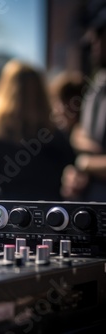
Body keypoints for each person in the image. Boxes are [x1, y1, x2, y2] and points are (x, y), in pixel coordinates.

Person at [0, 59, 76, 202]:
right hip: (51, 215)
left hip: (9, 216)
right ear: (41, 93)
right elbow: (76, 171)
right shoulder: (54, 133)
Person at [61, 3, 106, 201]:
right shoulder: (97, 82)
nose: (92, 42)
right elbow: (82, 131)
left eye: (98, 33)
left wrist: (87, 163)